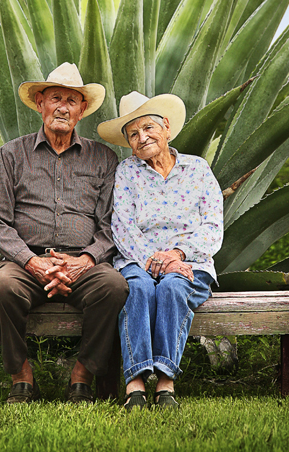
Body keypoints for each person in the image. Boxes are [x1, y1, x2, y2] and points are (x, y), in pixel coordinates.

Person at [0, 62, 128, 404]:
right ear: (40, 104)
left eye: (72, 100)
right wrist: (32, 262)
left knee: (114, 285)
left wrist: (85, 260)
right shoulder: (10, 154)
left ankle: (82, 375)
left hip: (83, 263)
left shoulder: (103, 158)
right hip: (25, 261)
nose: (63, 106)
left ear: (82, 111)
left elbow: (110, 225)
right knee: (1, 287)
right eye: (55, 98)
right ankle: (22, 376)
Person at [98, 90, 223, 411]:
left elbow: (212, 226)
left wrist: (177, 255)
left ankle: (165, 384)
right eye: (133, 134)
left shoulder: (198, 169)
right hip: (138, 260)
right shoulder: (127, 172)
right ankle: (135, 385)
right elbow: (122, 227)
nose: (141, 138)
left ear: (166, 127)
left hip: (188, 263)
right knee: (136, 288)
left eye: (148, 129)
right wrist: (158, 262)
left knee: (172, 287)